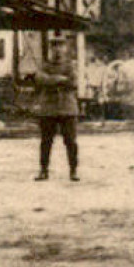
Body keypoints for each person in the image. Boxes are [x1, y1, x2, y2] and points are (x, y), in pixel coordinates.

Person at [32, 42, 80, 181]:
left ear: (65, 49)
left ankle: (73, 170)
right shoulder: (44, 65)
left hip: (67, 108)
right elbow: (39, 79)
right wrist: (60, 79)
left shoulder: (71, 66)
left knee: (71, 141)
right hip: (48, 108)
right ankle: (43, 170)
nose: (58, 50)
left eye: (61, 46)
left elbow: (74, 82)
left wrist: (51, 80)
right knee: (46, 141)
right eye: (54, 47)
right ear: (51, 49)